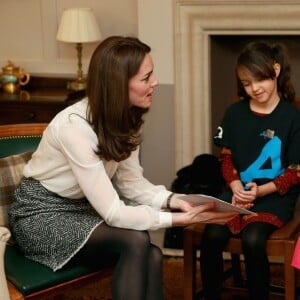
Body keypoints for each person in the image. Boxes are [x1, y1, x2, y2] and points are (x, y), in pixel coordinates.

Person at [8, 36, 237, 300]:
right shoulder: (74, 128)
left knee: (152, 252)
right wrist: (176, 220)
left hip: (82, 208)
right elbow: (114, 213)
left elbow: (131, 184)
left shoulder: (124, 118)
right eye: (146, 78)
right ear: (119, 84)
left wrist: (176, 200)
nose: (155, 83)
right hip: (40, 215)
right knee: (136, 240)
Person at [199, 41, 300, 300]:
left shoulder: (293, 117)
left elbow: (295, 172)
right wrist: (234, 186)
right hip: (236, 193)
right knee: (211, 235)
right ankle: (211, 294)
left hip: (275, 198)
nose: (254, 88)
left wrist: (260, 190)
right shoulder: (234, 113)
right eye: (246, 83)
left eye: (259, 80)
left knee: (253, 240)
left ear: (275, 71)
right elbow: (226, 158)